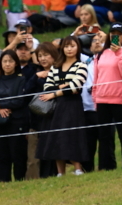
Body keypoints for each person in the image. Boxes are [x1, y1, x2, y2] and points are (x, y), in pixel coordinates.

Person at [35, 36, 89, 176]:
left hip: (73, 106)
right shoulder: (55, 67)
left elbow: (75, 87)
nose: (69, 49)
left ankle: (78, 168)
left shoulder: (81, 65)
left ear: (78, 48)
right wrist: (62, 87)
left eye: (72, 46)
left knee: (72, 135)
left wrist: (54, 93)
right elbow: (47, 87)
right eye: (66, 46)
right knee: (56, 137)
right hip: (56, 107)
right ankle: (60, 172)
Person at [0, 49, 32, 183]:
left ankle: (20, 180)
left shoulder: (21, 79)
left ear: (16, 63)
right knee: (2, 155)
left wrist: (2, 105)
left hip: (16, 121)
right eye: (4, 61)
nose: (7, 64)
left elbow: (20, 100)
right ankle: (4, 182)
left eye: (10, 61)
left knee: (17, 154)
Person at [91, 26, 122, 170]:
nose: (115, 37)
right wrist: (95, 98)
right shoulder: (101, 54)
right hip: (102, 99)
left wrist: (119, 54)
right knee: (103, 135)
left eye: (119, 34)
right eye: (113, 34)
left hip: (120, 99)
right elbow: (96, 78)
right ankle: (105, 167)